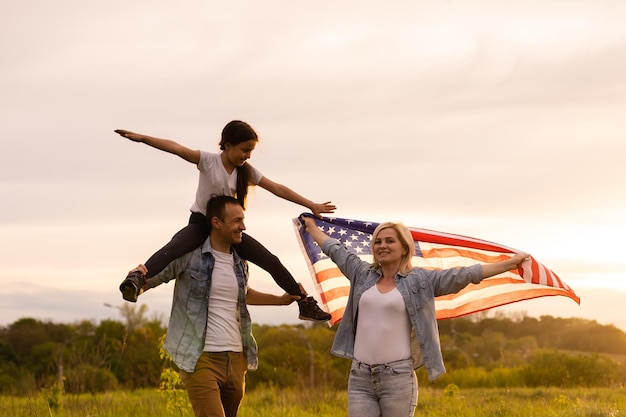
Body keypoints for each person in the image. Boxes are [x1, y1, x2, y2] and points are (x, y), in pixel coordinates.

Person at [301, 215, 529, 417]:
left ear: (404, 247)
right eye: (378, 242)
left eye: (389, 241)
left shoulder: (421, 281)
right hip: (360, 377)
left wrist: (508, 264)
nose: (382, 245)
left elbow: (465, 275)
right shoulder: (361, 274)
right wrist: (311, 228)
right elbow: (335, 249)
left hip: (397, 379)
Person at [116, 120, 335, 321]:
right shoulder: (208, 161)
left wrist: (311, 205)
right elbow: (175, 148)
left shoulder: (245, 172)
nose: (247, 155)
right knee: (174, 248)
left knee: (271, 260)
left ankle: (304, 303)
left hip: (229, 229)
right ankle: (138, 277)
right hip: (201, 223)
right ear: (227, 145)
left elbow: (277, 188)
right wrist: (143, 138)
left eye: (251, 151)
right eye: (245, 150)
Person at [131, 195, 302, 417]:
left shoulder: (240, 261)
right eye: (237, 221)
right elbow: (154, 277)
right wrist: (136, 281)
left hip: (236, 357)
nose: (243, 226)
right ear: (216, 222)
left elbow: (242, 294)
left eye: (243, 219)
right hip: (201, 358)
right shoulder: (189, 256)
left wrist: (279, 300)